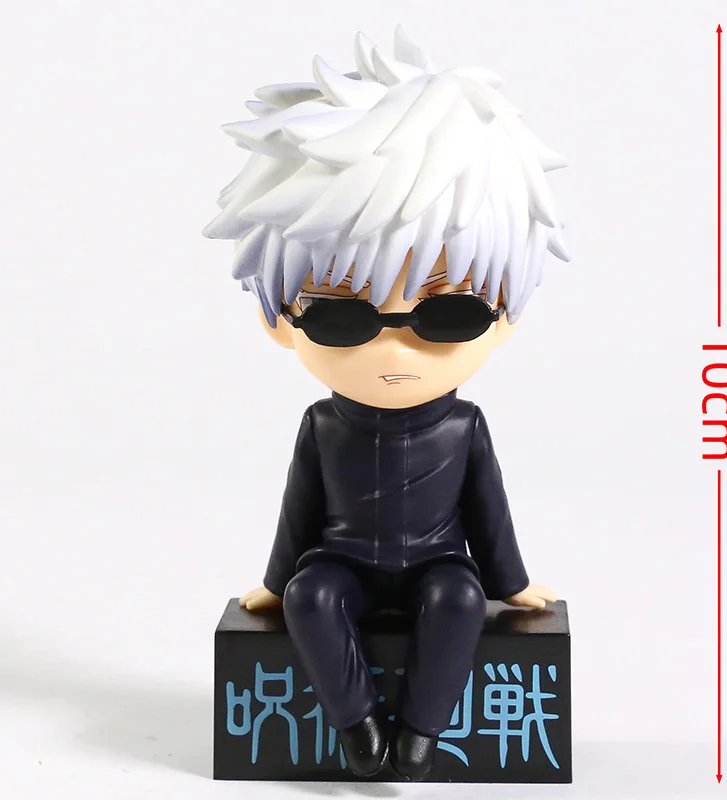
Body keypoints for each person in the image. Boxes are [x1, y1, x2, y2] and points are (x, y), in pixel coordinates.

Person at [204, 26, 569, 781]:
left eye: (448, 313)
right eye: (343, 316)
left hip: (439, 560)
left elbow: (488, 512)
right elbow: (300, 509)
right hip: (342, 559)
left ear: (504, 317)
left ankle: (421, 734)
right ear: (279, 320)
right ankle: (359, 726)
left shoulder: (463, 426)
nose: (394, 351)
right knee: (310, 597)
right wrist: (274, 583)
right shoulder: (323, 424)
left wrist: (509, 583)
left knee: (459, 601)